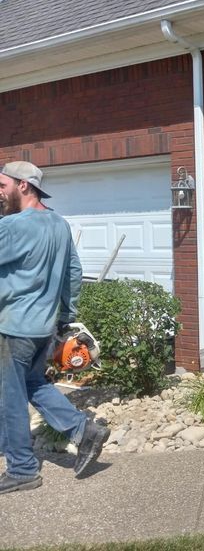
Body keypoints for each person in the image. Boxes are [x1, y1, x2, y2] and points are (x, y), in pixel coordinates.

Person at [0, 161, 109, 494]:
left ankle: (22, 469)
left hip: (12, 328)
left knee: (9, 399)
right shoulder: (59, 224)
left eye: (2, 185)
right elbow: (73, 273)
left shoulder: (13, 226)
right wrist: (65, 317)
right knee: (33, 383)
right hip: (44, 328)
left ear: (24, 186)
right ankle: (82, 429)